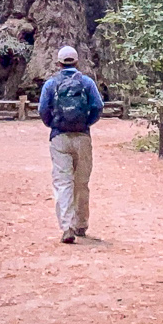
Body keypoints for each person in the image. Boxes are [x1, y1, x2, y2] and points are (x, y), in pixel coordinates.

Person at [37, 44, 103, 243]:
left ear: (58, 63)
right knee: (81, 183)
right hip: (82, 137)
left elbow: (42, 109)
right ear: (76, 61)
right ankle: (81, 224)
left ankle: (67, 227)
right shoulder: (87, 82)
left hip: (59, 138)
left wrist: (53, 125)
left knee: (63, 182)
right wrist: (86, 123)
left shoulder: (51, 84)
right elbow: (98, 106)